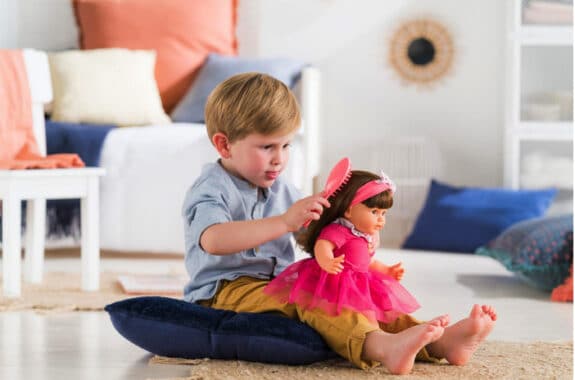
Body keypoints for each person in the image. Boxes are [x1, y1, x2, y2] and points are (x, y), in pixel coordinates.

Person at [182, 72, 497, 375]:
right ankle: (381, 346)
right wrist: (284, 221)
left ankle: (438, 343)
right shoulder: (212, 188)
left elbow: (309, 236)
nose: (280, 158)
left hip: (276, 282)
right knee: (317, 300)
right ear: (224, 145)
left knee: (353, 289)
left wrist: (346, 228)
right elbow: (213, 239)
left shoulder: (281, 187)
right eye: (267, 147)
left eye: (286, 145)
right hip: (226, 290)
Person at [264, 169, 420, 324]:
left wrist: (386, 270)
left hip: (358, 285)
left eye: (383, 213)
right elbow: (323, 245)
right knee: (353, 317)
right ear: (348, 210)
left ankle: (379, 334)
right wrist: (327, 261)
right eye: (374, 212)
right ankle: (371, 338)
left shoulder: (365, 237)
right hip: (336, 282)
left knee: (378, 312)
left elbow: (367, 263)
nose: (381, 220)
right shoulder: (339, 230)